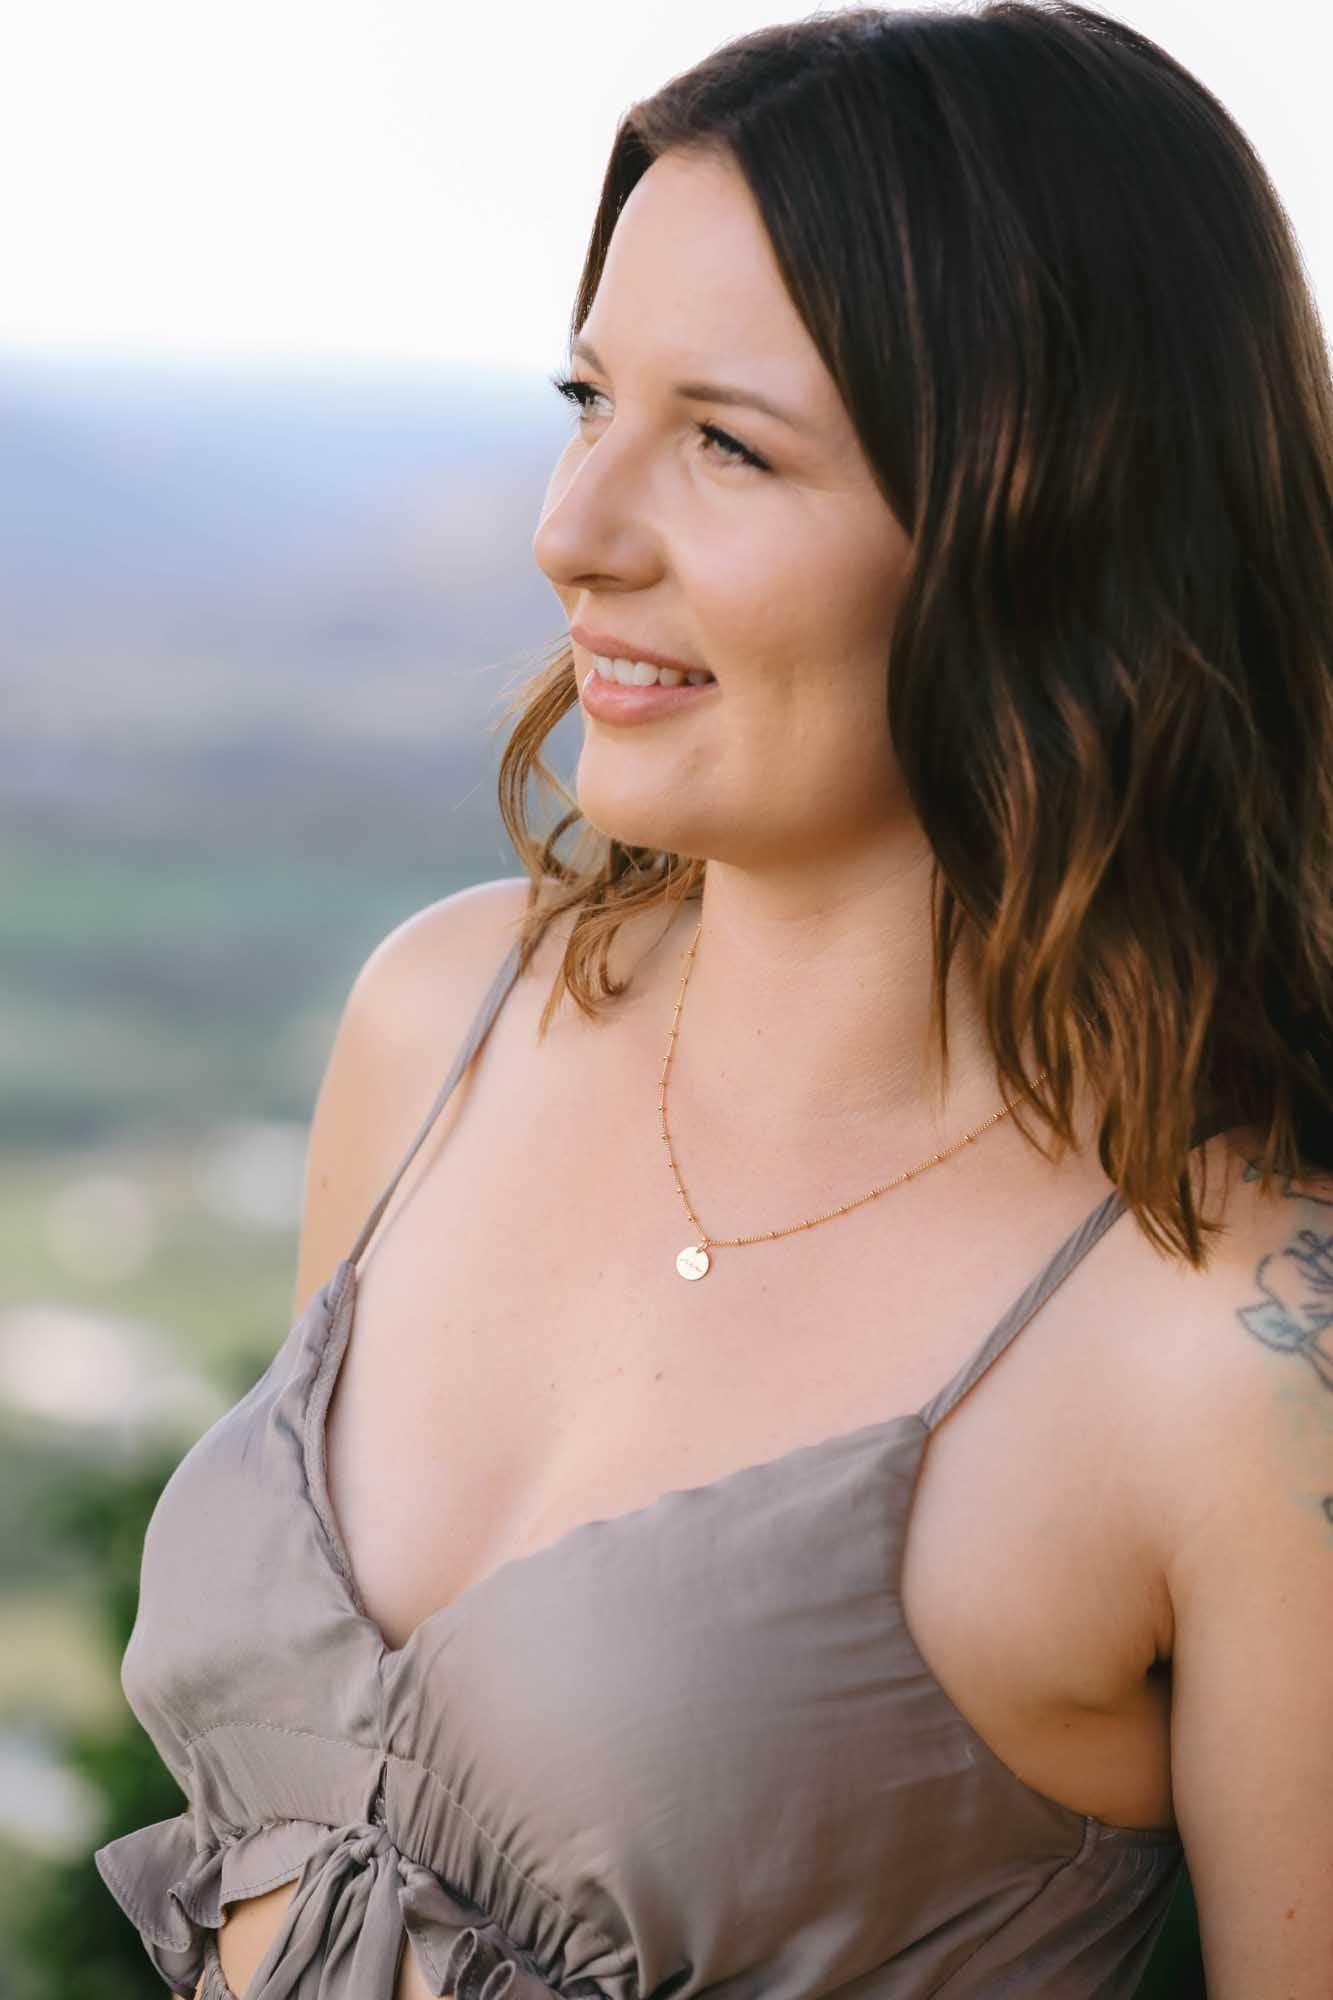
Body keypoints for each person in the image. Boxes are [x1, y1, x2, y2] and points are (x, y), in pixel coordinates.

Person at [96, 4, 1333, 1996]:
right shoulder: (441, 1024)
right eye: (588, 401)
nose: (569, 529)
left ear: (1052, 520)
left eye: (724, 444)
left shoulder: (1227, 1349)